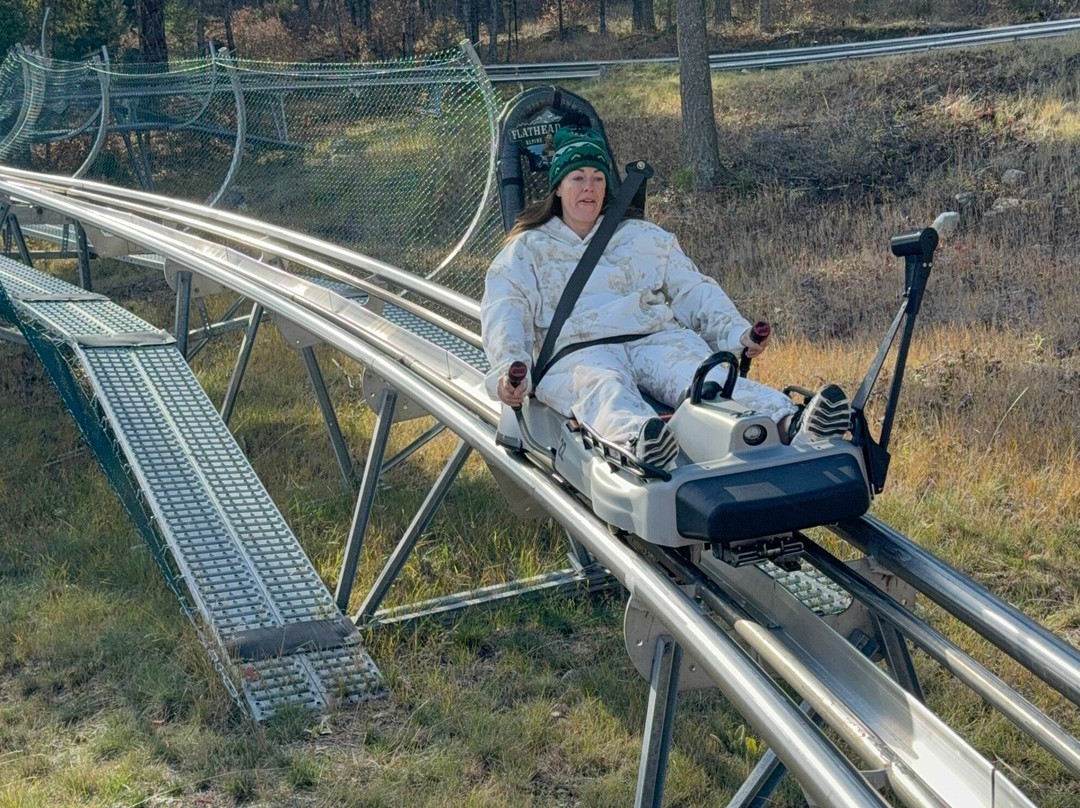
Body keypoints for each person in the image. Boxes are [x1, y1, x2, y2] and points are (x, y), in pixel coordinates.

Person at [481, 125, 849, 468]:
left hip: (653, 337)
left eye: (597, 178)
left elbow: (692, 287)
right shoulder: (527, 250)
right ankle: (643, 442)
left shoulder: (641, 237)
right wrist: (509, 372)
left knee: (703, 378)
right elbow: (506, 311)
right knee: (604, 387)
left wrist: (735, 333)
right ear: (558, 187)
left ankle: (793, 422)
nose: (588, 188)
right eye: (577, 178)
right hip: (578, 350)